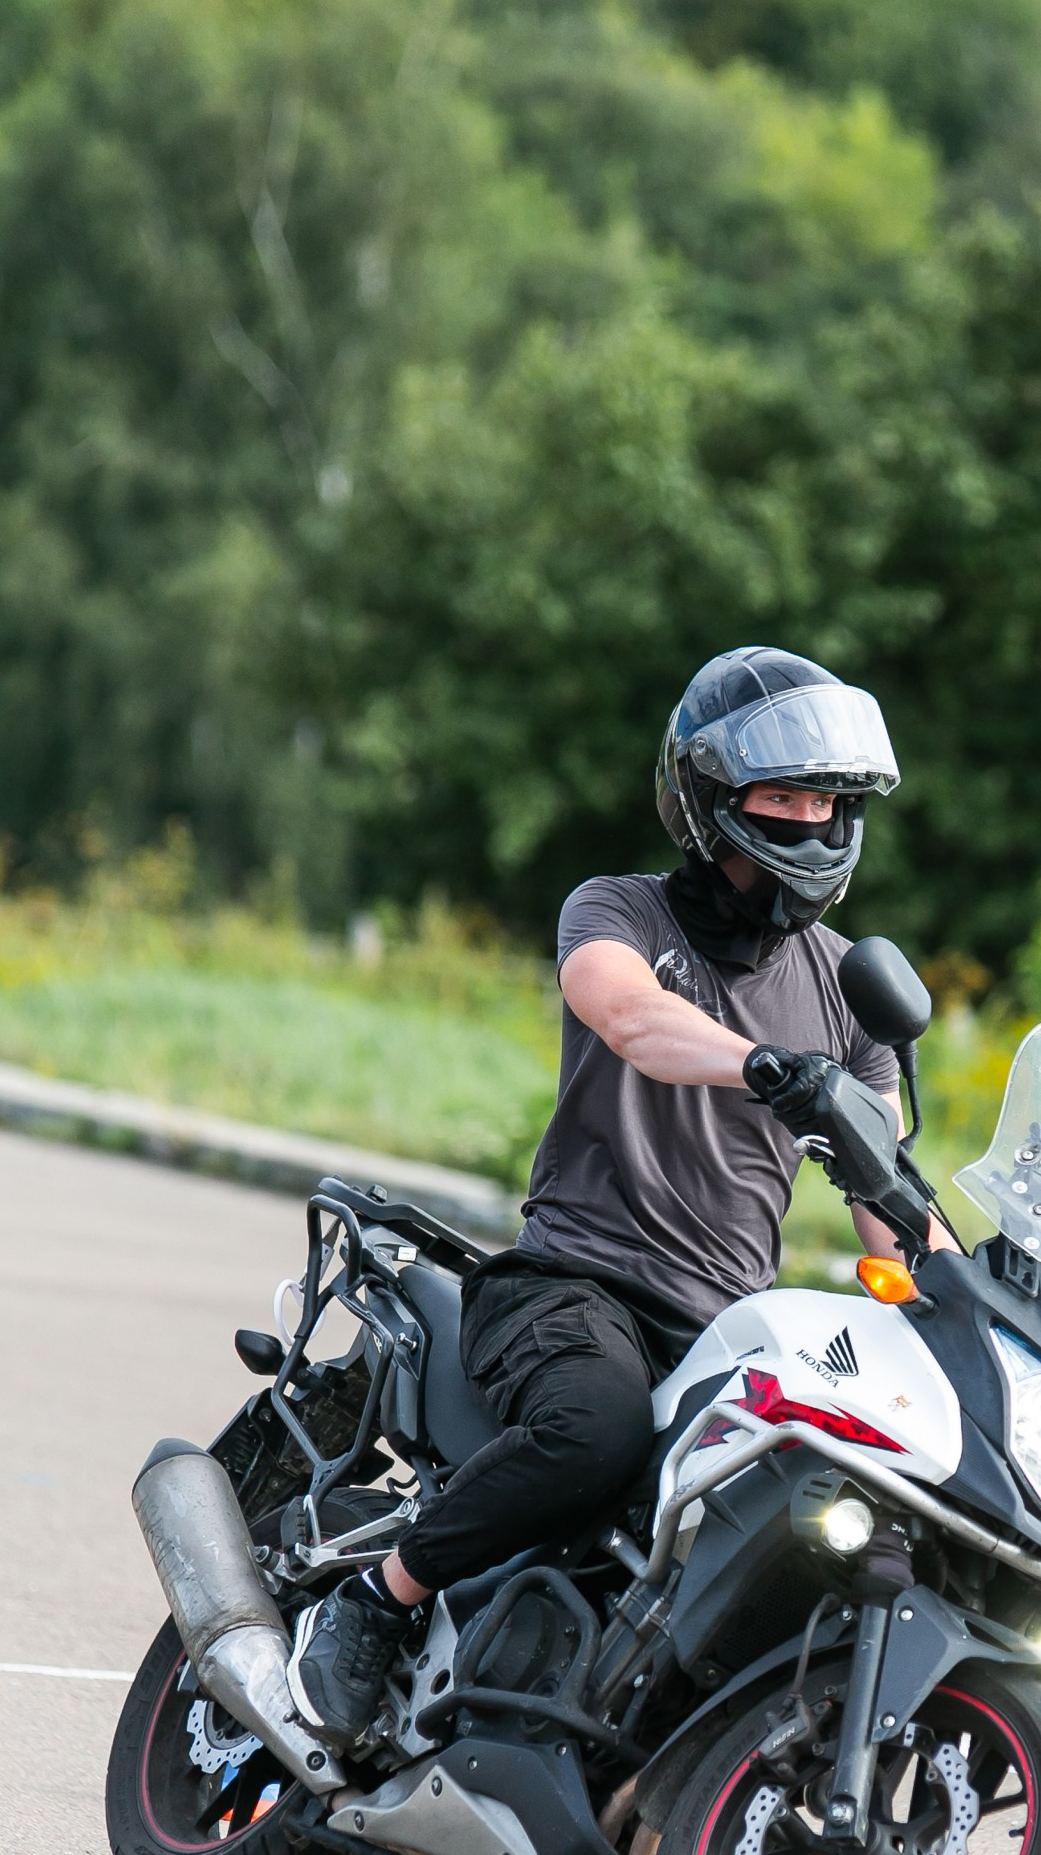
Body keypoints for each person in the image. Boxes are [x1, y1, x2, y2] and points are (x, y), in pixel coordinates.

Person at [289, 643, 913, 1746]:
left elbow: (888, 1201)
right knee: (597, 1429)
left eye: (827, 799)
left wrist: (976, 1308)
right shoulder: (620, 912)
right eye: (782, 794)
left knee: (828, 1508)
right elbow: (625, 1015)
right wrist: (765, 1065)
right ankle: (373, 1599)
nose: (810, 821)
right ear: (710, 802)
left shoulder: (849, 993)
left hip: (719, 1326)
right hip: (569, 1284)